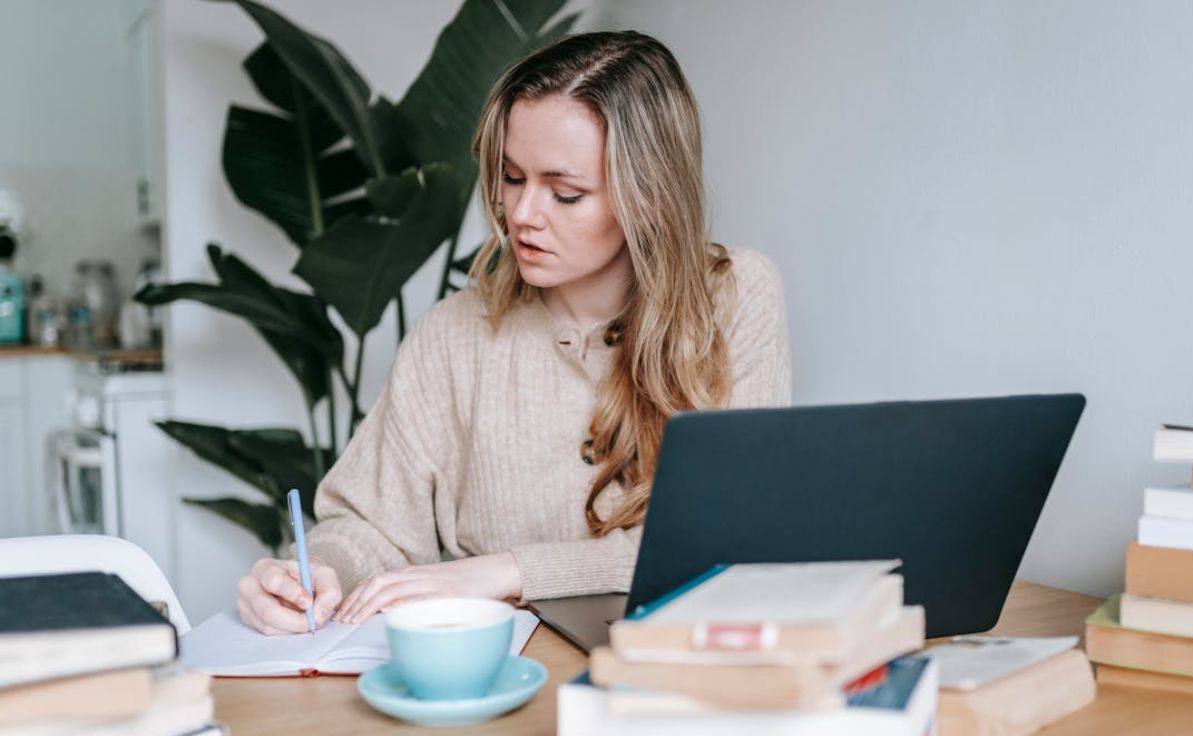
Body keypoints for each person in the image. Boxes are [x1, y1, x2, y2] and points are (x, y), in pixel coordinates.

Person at [235, 30, 791, 635]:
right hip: (493, 686)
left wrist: (503, 572)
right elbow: (369, 523)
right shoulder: (453, 335)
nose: (522, 214)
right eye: (512, 177)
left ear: (650, 198)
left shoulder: (733, 300)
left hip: (672, 680)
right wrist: (319, 573)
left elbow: (730, 540)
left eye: (565, 192)